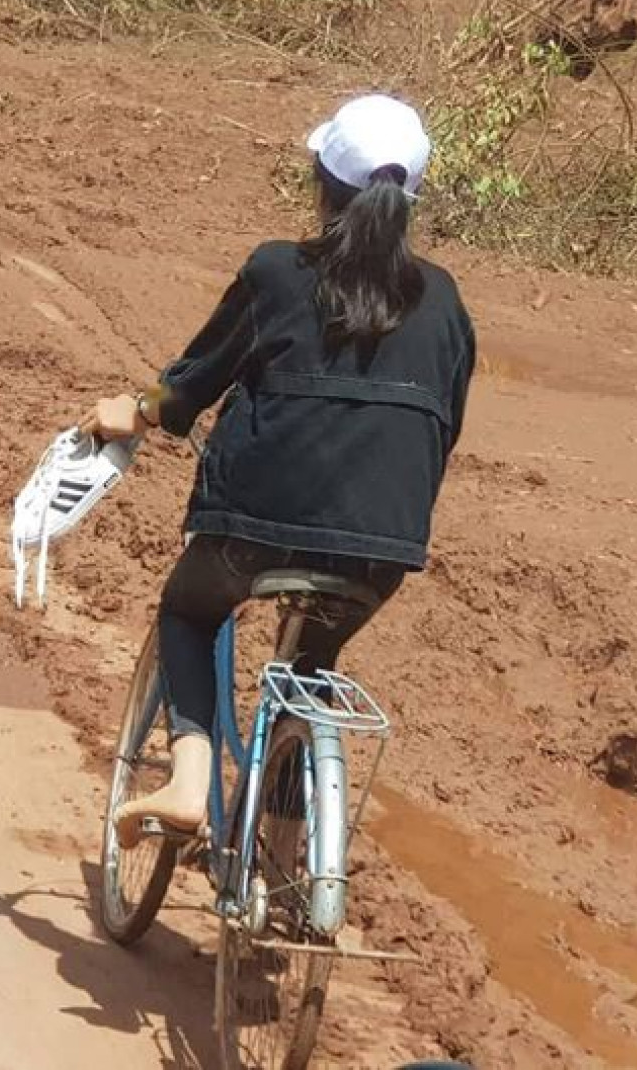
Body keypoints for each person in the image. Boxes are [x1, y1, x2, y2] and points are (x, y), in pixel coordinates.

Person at [81, 94, 476, 844]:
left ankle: (190, 783)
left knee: (187, 613)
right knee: (311, 661)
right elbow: (444, 427)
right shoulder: (446, 301)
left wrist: (136, 408)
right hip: (382, 539)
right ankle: (290, 850)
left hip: (252, 526)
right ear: (413, 197)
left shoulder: (277, 272)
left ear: (320, 182)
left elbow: (190, 386)